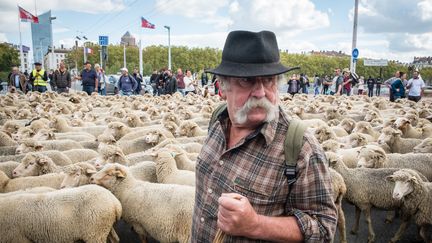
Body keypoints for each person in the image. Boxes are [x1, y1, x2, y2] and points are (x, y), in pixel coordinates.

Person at [192, 30, 337, 242]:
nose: (260, 92)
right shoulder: (217, 120)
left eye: (269, 80)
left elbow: (324, 230)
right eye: (247, 81)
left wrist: (256, 225)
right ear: (223, 86)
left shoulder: (301, 147)